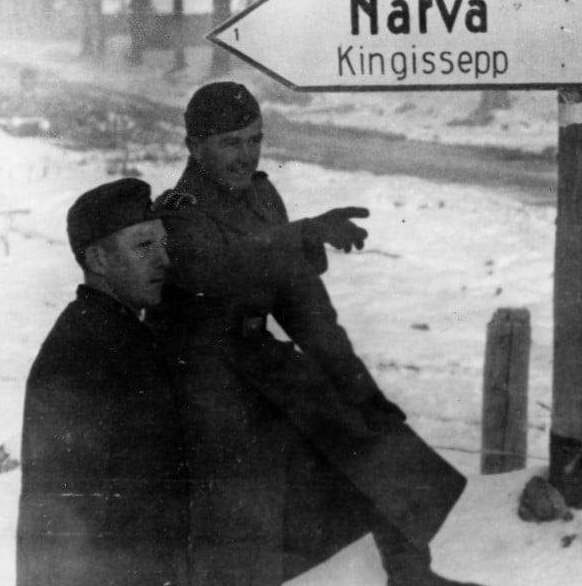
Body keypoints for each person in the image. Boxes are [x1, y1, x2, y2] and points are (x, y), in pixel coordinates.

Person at [155, 81, 480, 586]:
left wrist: (359, 387)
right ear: (194, 147)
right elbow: (216, 268)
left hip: (260, 362)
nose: (247, 156)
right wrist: (303, 234)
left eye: (255, 140)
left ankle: (412, 575)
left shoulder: (262, 196)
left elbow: (304, 306)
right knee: (254, 509)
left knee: (374, 432)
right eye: (231, 143)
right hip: (206, 383)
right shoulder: (178, 211)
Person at [17, 179, 188, 586]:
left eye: (163, 244)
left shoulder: (117, 333)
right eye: (144, 246)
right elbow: (62, 518)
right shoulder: (85, 353)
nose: (163, 260)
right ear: (98, 259)